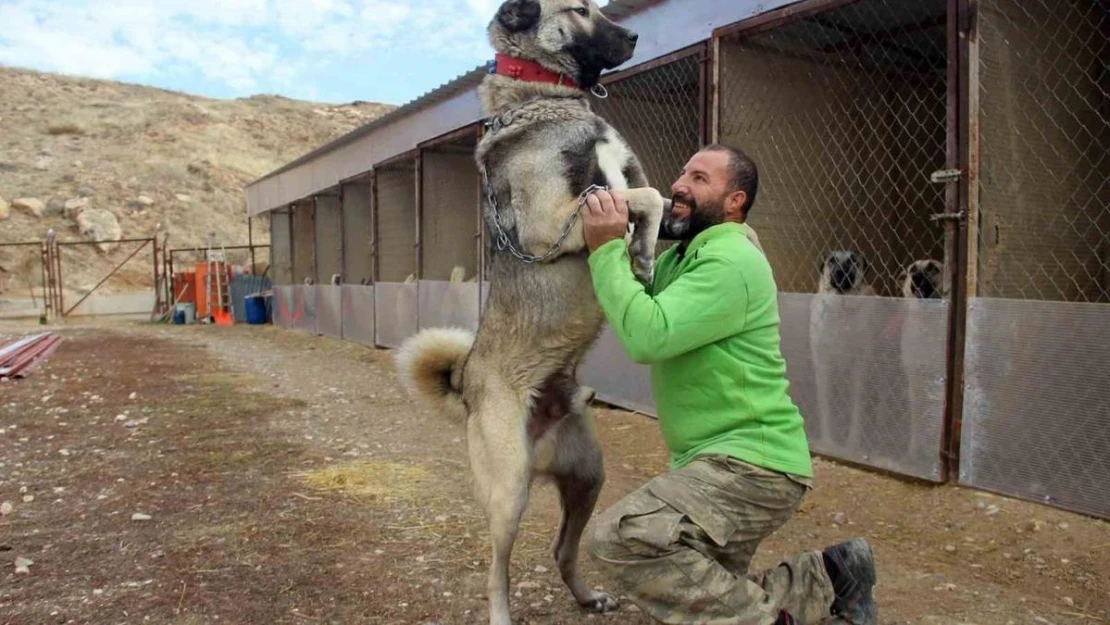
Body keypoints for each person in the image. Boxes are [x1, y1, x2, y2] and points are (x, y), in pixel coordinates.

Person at [579, 144, 878, 625]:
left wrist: (607, 249)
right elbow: (631, 299)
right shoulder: (686, 258)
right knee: (701, 593)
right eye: (682, 173)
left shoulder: (730, 261)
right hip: (715, 462)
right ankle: (829, 574)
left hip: (749, 465)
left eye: (699, 179)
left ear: (735, 201)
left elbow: (647, 334)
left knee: (620, 538)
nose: (679, 184)